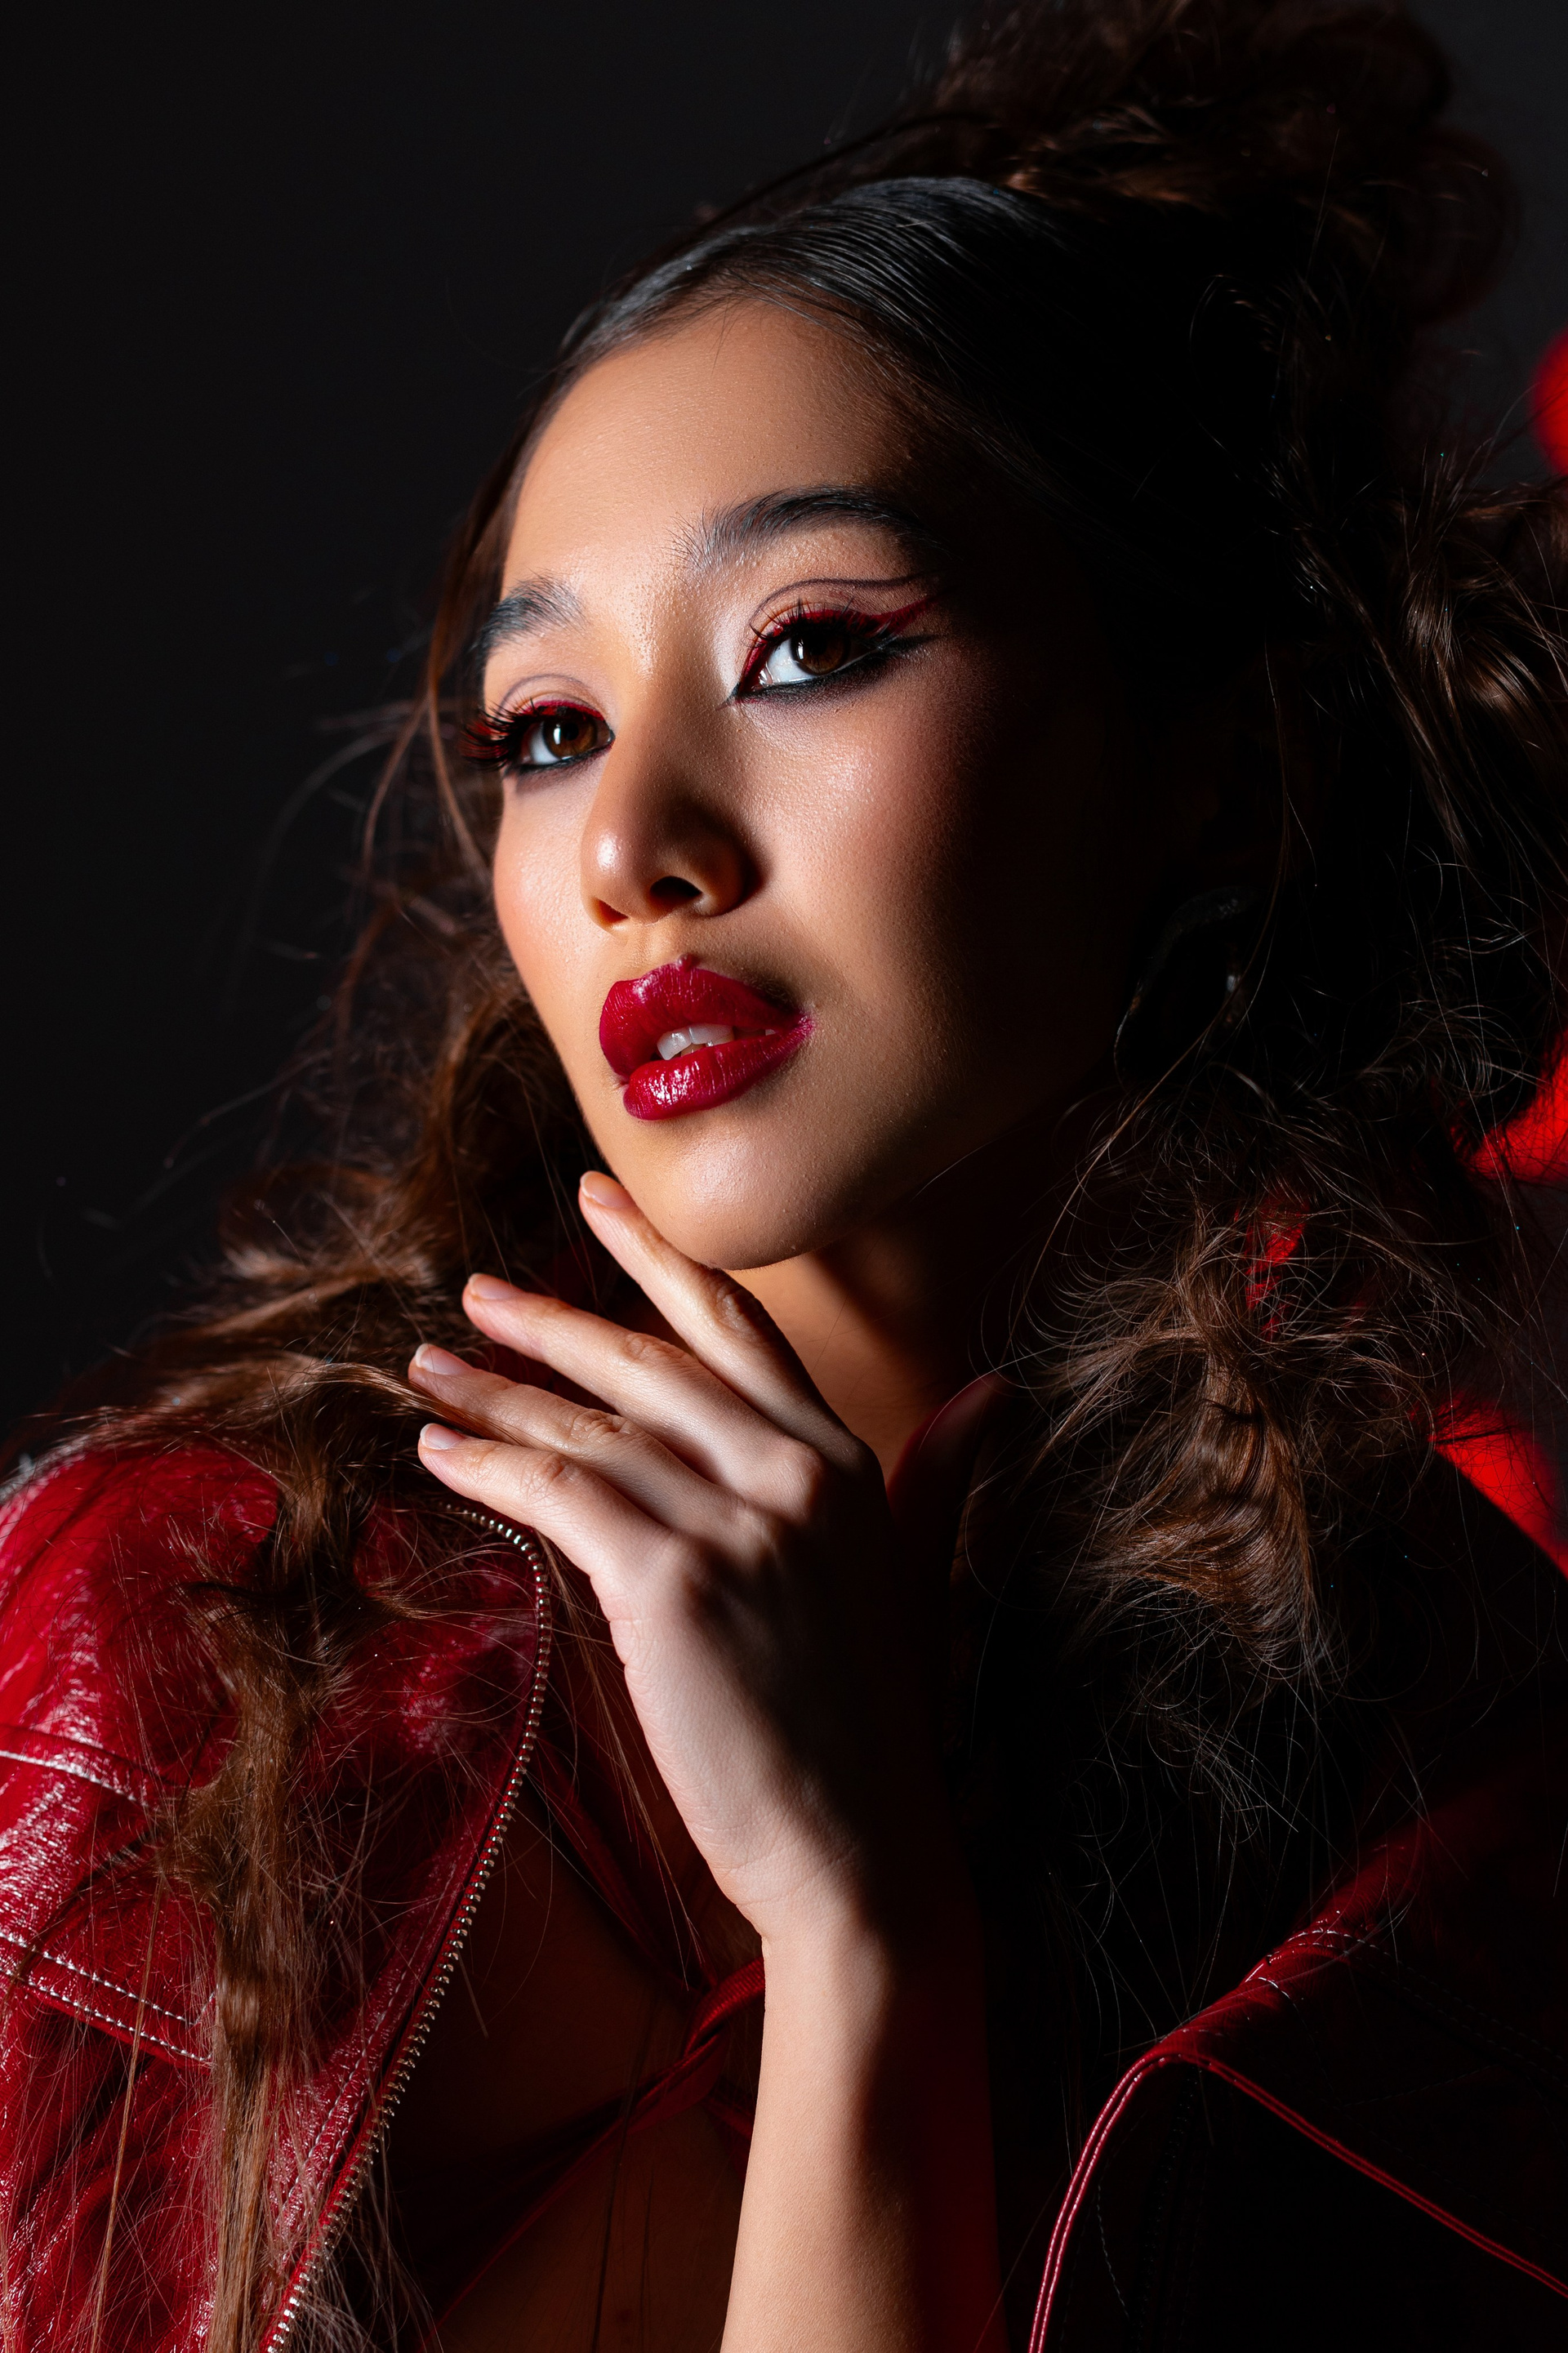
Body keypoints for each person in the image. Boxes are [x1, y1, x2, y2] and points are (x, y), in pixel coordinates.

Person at [3, 2, 1566, 2346]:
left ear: (1223, 769)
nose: (631, 843)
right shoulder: (210, 1645)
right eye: (549, 728)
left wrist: (862, 1933)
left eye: (811, 647)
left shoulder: (1441, 1813)